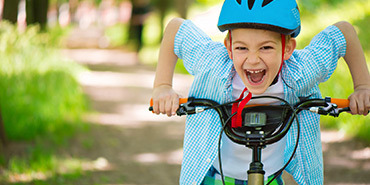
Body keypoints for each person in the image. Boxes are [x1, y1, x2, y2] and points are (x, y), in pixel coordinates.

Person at [151, 0, 370, 184]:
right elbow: (176, 29)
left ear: (287, 48)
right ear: (228, 46)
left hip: (270, 178)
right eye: (241, 48)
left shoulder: (302, 71)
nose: (253, 59)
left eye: (266, 48)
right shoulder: (213, 64)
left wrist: (362, 88)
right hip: (215, 175)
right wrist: (162, 86)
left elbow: (343, 33)